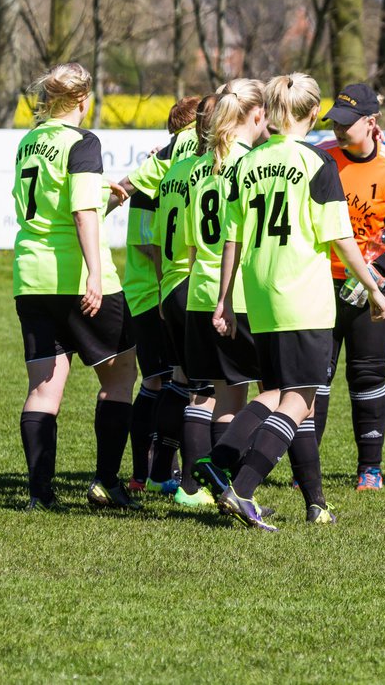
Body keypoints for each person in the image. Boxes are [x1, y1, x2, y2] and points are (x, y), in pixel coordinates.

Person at [194, 73, 385, 531]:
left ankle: (296, 493)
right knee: (300, 400)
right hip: (302, 295)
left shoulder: (249, 162)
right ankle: (241, 488)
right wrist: (376, 290)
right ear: (312, 112)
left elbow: (232, 238)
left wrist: (224, 298)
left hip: (260, 295)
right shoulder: (316, 163)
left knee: (278, 393)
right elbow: (340, 238)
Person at [13, 62, 139, 511]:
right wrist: (95, 274)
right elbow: (82, 214)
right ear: (84, 99)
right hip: (74, 274)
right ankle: (106, 481)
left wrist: (106, 198)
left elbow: (58, 206)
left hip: (31, 276)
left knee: (45, 387)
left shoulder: (30, 141)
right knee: (121, 373)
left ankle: (39, 495)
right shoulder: (82, 142)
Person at [310, 83, 385, 491]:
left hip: (373, 290)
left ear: (371, 123)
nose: (339, 130)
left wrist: (378, 271)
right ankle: (307, 467)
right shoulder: (320, 155)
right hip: (322, 284)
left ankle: (369, 469)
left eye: (347, 123)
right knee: (315, 377)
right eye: (335, 121)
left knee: (367, 375)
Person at [180, 80, 273, 509]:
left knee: (224, 394)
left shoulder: (201, 164)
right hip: (235, 294)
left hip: (199, 290)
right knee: (267, 394)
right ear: (257, 116)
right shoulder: (250, 164)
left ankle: (221, 493)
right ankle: (232, 489)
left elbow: (189, 239)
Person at [115, 98, 202, 492]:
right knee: (172, 383)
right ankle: (154, 474)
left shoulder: (166, 156)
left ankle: (152, 473)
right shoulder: (186, 152)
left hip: (149, 287)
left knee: (162, 381)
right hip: (160, 287)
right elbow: (152, 243)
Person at [150, 93, 222, 504]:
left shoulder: (175, 170)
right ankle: (195, 486)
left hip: (172, 284)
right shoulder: (208, 171)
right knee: (206, 389)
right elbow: (202, 240)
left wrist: (163, 288)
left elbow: (160, 239)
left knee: (178, 379)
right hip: (196, 286)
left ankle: (161, 470)